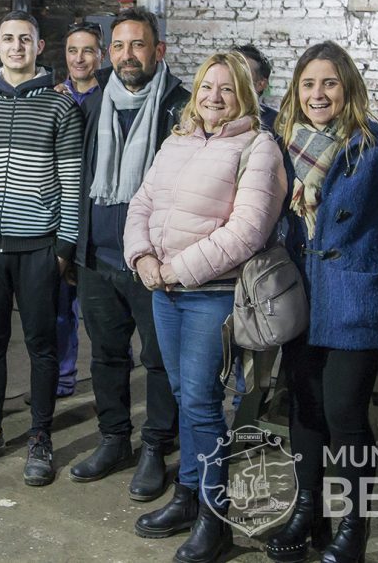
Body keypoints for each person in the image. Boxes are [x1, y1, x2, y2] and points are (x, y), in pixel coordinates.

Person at [125, 51, 286, 563]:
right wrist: (143, 257)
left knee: (200, 402)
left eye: (227, 89)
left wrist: (176, 269)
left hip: (210, 294)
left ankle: (214, 522)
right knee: (181, 394)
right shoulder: (178, 140)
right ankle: (188, 497)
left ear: (246, 95)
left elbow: (247, 231)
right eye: (207, 87)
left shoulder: (258, 146)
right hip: (165, 291)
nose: (214, 97)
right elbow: (142, 202)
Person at [264, 41, 378, 563]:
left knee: (346, 412)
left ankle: (353, 523)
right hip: (300, 299)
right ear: (295, 90)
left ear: (347, 87)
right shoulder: (282, 145)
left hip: (355, 299)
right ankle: (307, 512)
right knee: (304, 409)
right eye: (308, 83)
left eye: (329, 82)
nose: (317, 93)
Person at [0, 10, 84, 486]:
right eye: (8, 39)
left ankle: (40, 438)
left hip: (38, 249)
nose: (16, 46)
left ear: (39, 47)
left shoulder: (60, 109)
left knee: (42, 346)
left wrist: (63, 246)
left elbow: (70, 182)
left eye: (25, 39)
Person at [69, 7, 187, 502]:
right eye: (117, 46)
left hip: (153, 262)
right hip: (98, 258)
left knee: (159, 360)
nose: (126, 55)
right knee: (107, 357)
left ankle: (157, 447)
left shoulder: (183, 107)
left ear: (157, 51)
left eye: (137, 45)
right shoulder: (95, 104)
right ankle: (115, 439)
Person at [52, 20, 105, 399]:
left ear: (100, 56)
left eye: (88, 50)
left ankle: (108, 378)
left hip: (99, 215)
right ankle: (62, 378)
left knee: (102, 313)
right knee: (59, 306)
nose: (80, 58)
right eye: (73, 50)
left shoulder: (113, 98)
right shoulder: (53, 98)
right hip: (60, 212)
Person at [233, 43, 277, 131]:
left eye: (243, 73)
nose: (233, 78)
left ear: (261, 84)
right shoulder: (208, 114)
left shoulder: (276, 124)